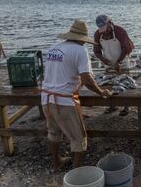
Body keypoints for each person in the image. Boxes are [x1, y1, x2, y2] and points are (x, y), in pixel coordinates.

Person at [41, 20, 112, 171]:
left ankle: (56, 163)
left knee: (54, 132)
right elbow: (87, 79)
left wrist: (76, 82)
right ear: (82, 39)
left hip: (46, 98)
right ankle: (76, 174)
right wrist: (101, 92)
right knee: (79, 140)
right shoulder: (80, 51)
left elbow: (59, 73)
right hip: (64, 102)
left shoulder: (54, 47)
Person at [93, 15, 135, 116]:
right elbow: (97, 51)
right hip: (108, 62)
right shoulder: (98, 34)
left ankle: (126, 107)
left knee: (125, 83)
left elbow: (126, 48)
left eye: (105, 28)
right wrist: (103, 60)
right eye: (101, 29)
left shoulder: (120, 31)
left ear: (110, 23)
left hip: (122, 60)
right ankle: (112, 106)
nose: (104, 31)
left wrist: (119, 62)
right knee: (109, 85)